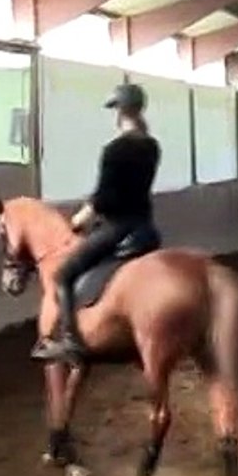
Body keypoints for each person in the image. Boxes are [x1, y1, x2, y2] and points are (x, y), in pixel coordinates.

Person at [31, 83, 162, 363]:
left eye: (115, 109)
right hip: (147, 229)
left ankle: (70, 342)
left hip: (119, 229)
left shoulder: (114, 150)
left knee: (62, 276)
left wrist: (79, 219)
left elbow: (105, 198)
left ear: (121, 111)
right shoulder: (152, 146)